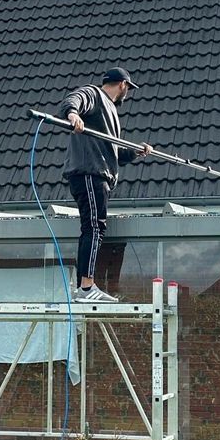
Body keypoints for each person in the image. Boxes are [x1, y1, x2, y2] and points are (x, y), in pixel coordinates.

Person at [58, 67, 152, 302]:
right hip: (90, 173)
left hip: (99, 174)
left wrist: (135, 153)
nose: (127, 94)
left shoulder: (110, 112)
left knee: (95, 228)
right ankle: (87, 287)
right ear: (123, 85)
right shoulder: (94, 94)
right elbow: (73, 100)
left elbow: (114, 152)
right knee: (94, 227)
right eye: (128, 89)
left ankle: (85, 286)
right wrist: (72, 114)